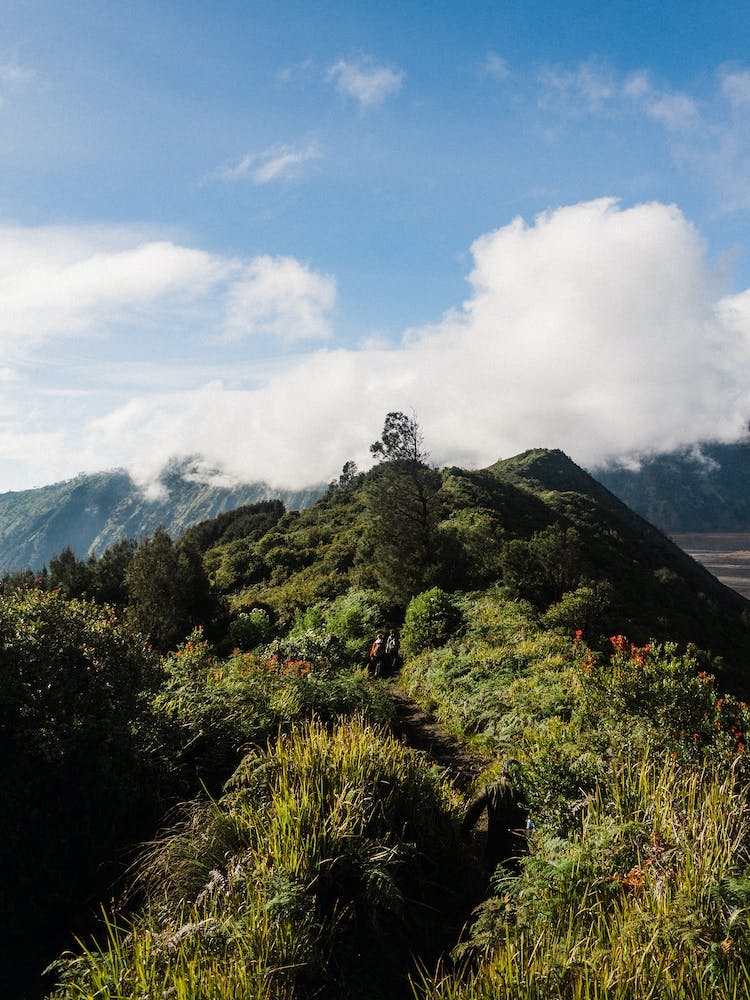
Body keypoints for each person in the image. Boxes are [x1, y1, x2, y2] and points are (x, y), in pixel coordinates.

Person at [462, 759, 530, 871]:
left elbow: (474, 809)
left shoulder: (490, 789)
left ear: (503, 773)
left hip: (495, 843)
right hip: (518, 845)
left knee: (493, 877)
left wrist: (465, 830)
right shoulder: (526, 792)